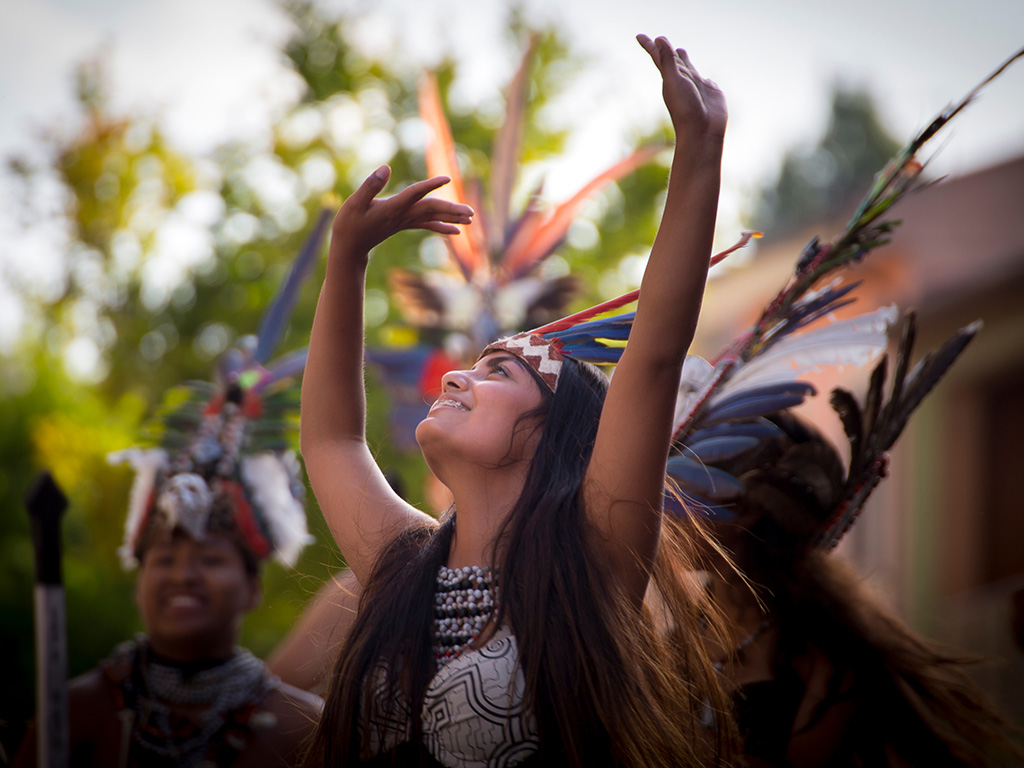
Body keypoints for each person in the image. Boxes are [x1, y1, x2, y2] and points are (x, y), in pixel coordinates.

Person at [299, 34, 734, 768]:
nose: (455, 377)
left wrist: (699, 145)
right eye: (471, 365)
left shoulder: (590, 560)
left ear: (553, 435)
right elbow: (333, 442)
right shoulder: (403, 566)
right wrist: (347, 259)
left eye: (498, 372)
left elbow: (654, 355)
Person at [669, 313, 1023, 767]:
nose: (668, 511)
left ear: (750, 505)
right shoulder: (680, 630)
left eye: (686, 490)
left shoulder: (826, 657)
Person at [14, 284, 325, 768]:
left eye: (210, 559)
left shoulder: (303, 731)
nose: (182, 574)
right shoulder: (74, 712)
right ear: (139, 578)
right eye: (164, 557)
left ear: (252, 589)